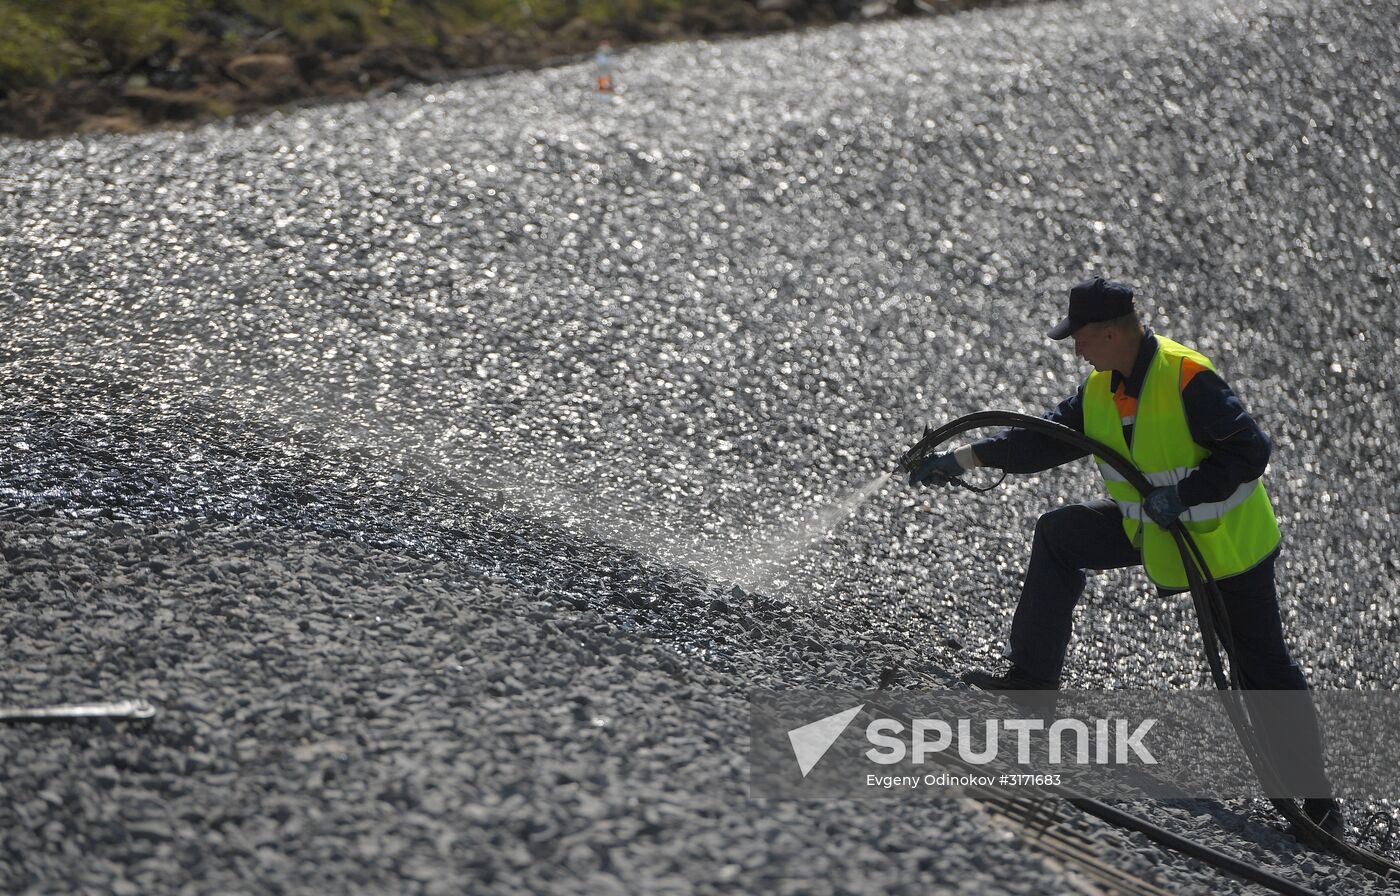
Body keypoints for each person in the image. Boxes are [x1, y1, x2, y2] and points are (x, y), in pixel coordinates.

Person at [909, 276, 1344, 837]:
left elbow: (1251, 450)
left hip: (1227, 544)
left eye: (1080, 338)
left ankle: (1320, 805)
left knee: (1260, 668)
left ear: (1111, 332)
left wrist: (1183, 495)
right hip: (1155, 532)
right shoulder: (1101, 390)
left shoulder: (1188, 378)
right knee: (1061, 535)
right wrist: (964, 459)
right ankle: (1032, 680)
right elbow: (1045, 439)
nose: (1075, 349)